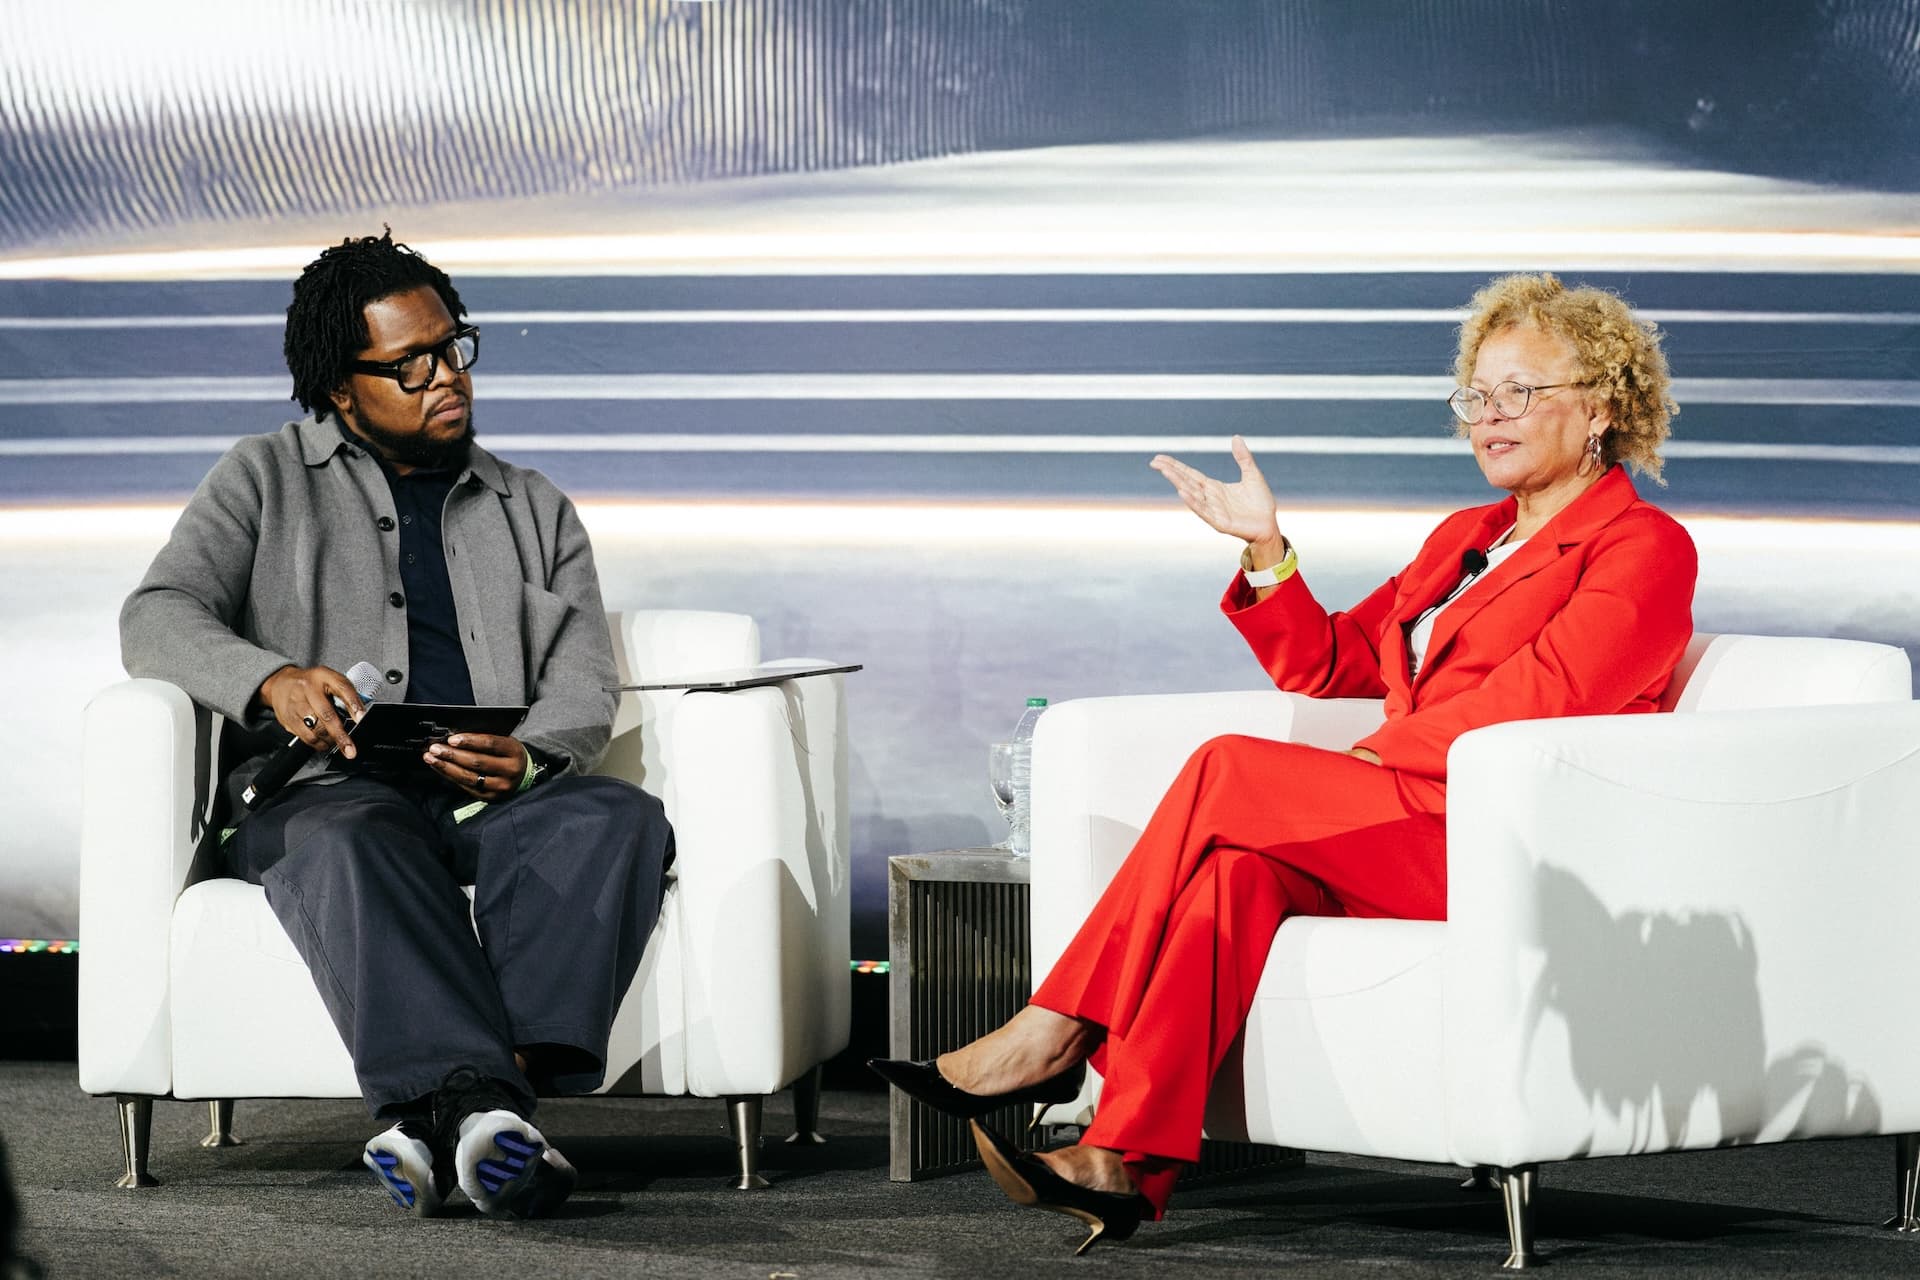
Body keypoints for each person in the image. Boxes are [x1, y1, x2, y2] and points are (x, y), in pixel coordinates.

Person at [871, 272, 1698, 1251]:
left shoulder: (1644, 547)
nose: (1490, 415)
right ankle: (1122, 1155)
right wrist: (1266, 547)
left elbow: (1545, 705)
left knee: (1229, 767)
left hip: (1502, 837)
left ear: (1601, 403)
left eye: (1520, 391)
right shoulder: (1468, 537)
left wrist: (1376, 754)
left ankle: (1054, 1027)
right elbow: (1334, 659)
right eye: (1476, 394)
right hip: (1397, 821)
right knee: (1233, 873)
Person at [120, 231, 673, 1221]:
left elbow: (583, 683)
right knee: (352, 830)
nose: (443, 378)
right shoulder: (261, 475)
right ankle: (485, 1110)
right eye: (406, 364)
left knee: (615, 816)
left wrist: (532, 754)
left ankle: (447, 1113)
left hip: (479, 803)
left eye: (451, 347)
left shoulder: (534, 506)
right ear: (342, 387)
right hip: (326, 794)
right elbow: (156, 614)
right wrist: (272, 679)